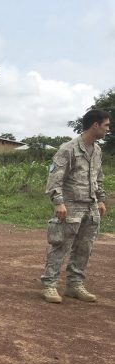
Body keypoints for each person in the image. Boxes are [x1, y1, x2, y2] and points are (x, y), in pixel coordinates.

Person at [41, 109, 109, 303]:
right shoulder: (68, 149)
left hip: (90, 206)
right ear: (95, 125)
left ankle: (74, 284)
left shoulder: (96, 150)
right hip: (70, 206)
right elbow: (55, 178)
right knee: (60, 245)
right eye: (106, 125)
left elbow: (98, 178)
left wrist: (101, 199)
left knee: (84, 248)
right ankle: (49, 285)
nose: (108, 129)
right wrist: (58, 202)